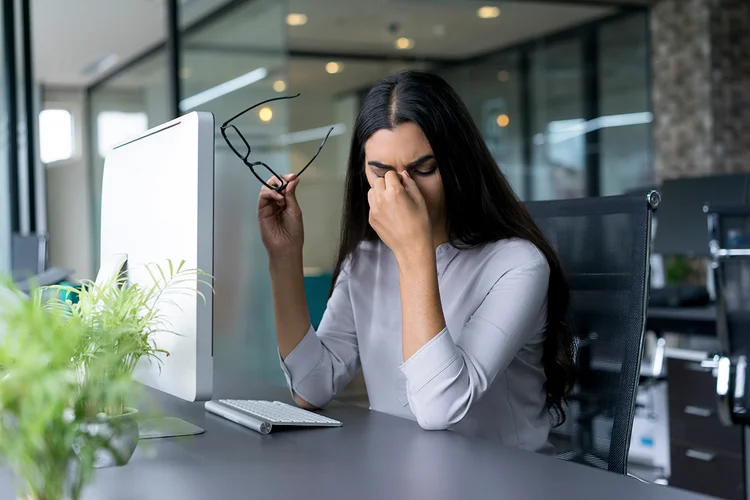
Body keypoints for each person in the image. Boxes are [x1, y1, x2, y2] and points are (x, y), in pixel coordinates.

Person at [257, 70, 575, 453]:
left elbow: (440, 408)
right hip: (405, 473)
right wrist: (284, 256)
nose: (399, 189)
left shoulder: (518, 265)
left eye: (423, 170)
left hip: (504, 481)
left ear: (458, 165)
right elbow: (312, 387)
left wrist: (412, 251)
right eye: (380, 172)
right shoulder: (366, 259)